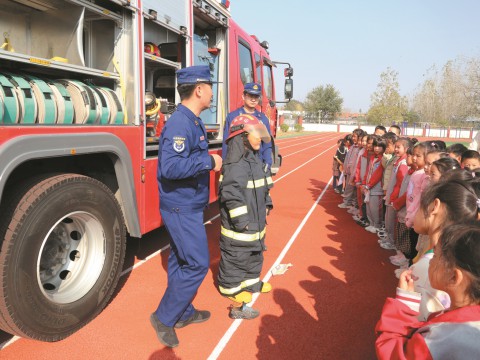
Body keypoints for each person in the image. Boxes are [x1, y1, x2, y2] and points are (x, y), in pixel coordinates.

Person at [151, 65, 223, 348]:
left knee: (180, 259)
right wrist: (208, 162)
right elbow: (169, 167)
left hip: (187, 203)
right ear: (199, 89)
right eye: (210, 86)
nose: (212, 92)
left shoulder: (193, 120)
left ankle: (183, 311)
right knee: (197, 263)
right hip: (180, 206)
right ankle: (164, 317)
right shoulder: (181, 123)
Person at [375, 223, 480, 359]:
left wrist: (403, 306)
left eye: (435, 255)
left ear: (454, 277)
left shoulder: (440, 338)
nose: (430, 260)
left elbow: (393, 353)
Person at [217, 113, 273, 319]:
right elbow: (231, 194)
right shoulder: (235, 163)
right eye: (255, 133)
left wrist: (267, 203)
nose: (259, 138)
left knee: (254, 254)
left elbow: (264, 186)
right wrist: (241, 222)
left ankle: (250, 281)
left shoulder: (253, 160)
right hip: (241, 227)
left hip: (256, 222)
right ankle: (230, 286)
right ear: (241, 135)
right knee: (236, 255)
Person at [222, 82, 272, 170]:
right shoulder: (233, 117)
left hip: (257, 163)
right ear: (243, 96)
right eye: (250, 96)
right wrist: (225, 164)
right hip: (237, 164)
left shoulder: (263, 119)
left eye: (256, 96)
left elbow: (267, 144)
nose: (253, 99)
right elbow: (226, 143)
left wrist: (268, 163)